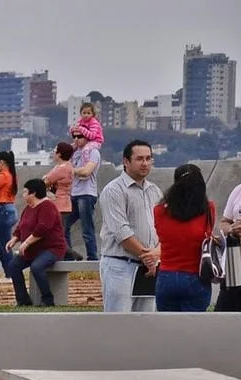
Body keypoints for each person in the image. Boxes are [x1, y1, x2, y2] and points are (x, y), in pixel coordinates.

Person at [98, 139, 161, 313]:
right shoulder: (114, 190)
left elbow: (163, 228)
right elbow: (121, 232)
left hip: (148, 268)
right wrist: (148, 257)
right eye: (140, 159)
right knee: (119, 324)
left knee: (146, 324)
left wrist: (156, 254)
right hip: (120, 266)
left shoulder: (154, 191)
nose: (145, 163)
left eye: (149, 159)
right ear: (126, 162)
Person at [152, 164, 216, 312]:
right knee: (193, 329)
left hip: (166, 276)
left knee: (168, 328)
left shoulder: (159, 211)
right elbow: (207, 235)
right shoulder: (208, 209)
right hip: (196, 276)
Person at [5, 179, 67, 307]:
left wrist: (26, 243)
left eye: (25, 191)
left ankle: (47, 299)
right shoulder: (28, 208)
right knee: (13, 266)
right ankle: (23, 300)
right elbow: (21, 226)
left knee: (37, 267)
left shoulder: (48, 206)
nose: (23, 194)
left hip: (51, 248)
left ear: (33, 193)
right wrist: (14, 239)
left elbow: (43, 228)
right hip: (32, 250)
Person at [214, 146, 241, 312]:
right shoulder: (239, 189)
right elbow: (224, 222)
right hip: (237, 266)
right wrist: (231, 229)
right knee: (223, 319)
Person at [68, 126, 102, 260]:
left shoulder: (93, 152)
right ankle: (68, 256)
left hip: (87, 194)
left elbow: (87, 171)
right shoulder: (75, 153)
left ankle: (92, 257)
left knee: (87, 228)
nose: (76, 139)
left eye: (80, 136)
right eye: (74, 136)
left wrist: (70, 170)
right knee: (63, 225)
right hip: (74, 194)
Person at [44, 142, 75, 251]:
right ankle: (68, 256)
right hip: (65, 204)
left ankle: (69, 254)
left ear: (60, 154)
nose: (53, 153)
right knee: (63, 233)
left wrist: (46, 179)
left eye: (55, 150)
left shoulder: (62, 168)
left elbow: (46, 180)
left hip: (59, 204)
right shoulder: (68, 166)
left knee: (57, 234)